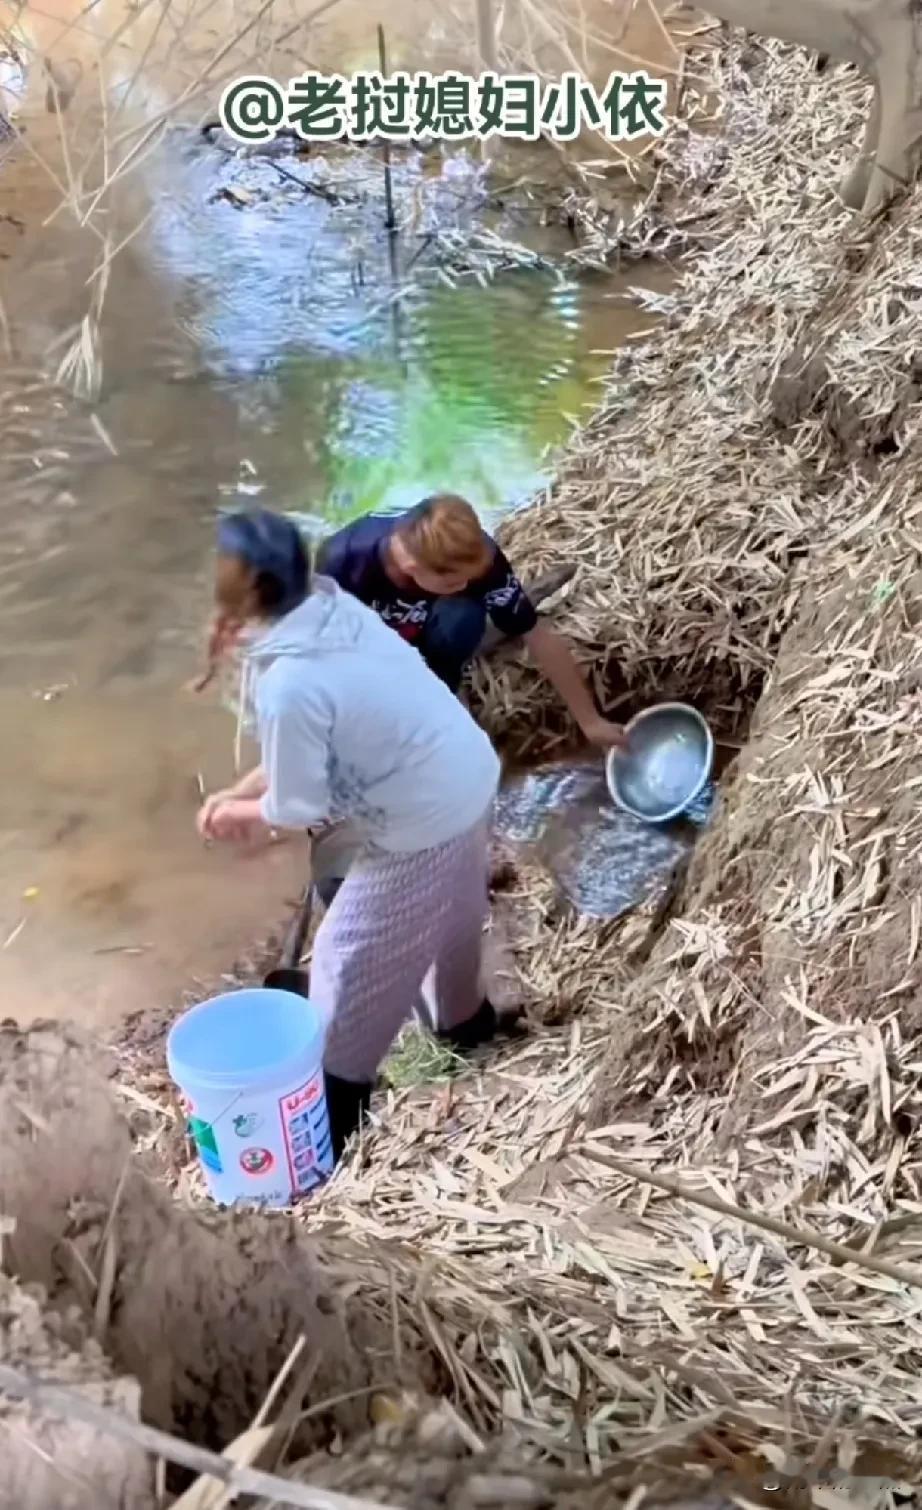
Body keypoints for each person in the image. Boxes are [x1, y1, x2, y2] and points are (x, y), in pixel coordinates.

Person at [196, 508, 506, 1161]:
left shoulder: (289, 683)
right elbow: (320, 740)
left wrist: (234, 815)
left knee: (344, 960)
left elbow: (298, 806)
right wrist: (247, 789)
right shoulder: (337, 609)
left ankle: (335, 1120)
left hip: (424, 813)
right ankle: (467, 1025)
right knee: (452, 914)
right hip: (466, 766)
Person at [316, 493, 625, 748]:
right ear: (411, 566)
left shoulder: (476, 556)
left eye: (471, 578)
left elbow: (536, 633)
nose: (466, 587)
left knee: (465, 615)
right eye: (453, 583)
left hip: (428, 627)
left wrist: (590, 721)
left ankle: (444, 679)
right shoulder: (343, 563)